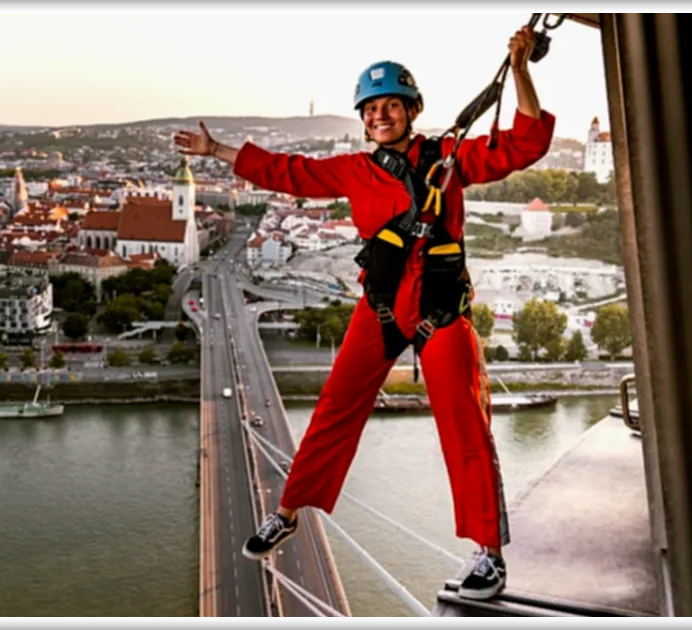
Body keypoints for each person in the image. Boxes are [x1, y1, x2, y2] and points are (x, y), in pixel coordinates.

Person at [173, 23, 555, 601]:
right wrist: (217, 150)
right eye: (371, 108)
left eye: (391, 106)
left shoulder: (449, 159)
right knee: (334, 409)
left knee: (465, 424)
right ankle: (289, 511)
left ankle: (489, 555)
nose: (380, 115)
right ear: (363, 118)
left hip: (439, 309)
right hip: (381, 307)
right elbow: (289, 172)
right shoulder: (354, 170)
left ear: (412, 110)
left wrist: (521, 71)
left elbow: (523, 145)